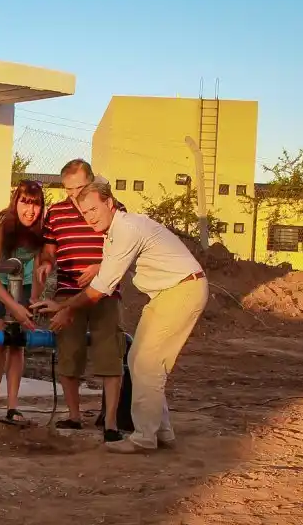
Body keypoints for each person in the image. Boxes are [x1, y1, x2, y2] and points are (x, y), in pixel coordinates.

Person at [30, 179, 208, 454]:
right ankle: (161, 431)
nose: (89, 217)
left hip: (182, 289)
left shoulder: (126, 228)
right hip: (165, 293)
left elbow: (102, 287)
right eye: (84, 212)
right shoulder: (113, 232)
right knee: (137, 359)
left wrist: (64, 308)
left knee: (149, 364)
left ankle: (144, 437)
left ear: (109, 203)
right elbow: (104, 276)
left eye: (93, 209)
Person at [32, 159, 127, 442]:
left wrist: (100, 267)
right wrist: (47, 264)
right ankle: (74, 416)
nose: (74, 194)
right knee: (69, 354)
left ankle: (110, 422)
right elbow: (50, 249)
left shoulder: (112, 207)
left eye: (80, 187)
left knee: (110, 355)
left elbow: (125, 247)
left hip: (106, 291)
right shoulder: (57, 213)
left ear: (92, 182)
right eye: (68, 189)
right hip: (67, 293)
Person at [0, 180, 42, 424]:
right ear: (15, 202)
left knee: (17, 343)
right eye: (25, 202)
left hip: (21, 282)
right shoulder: (0, 225)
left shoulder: (40, 230)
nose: (30, 210)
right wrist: (14, 307)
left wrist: (33, 300)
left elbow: (38, 270)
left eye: (36, 204)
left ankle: (13, 405)